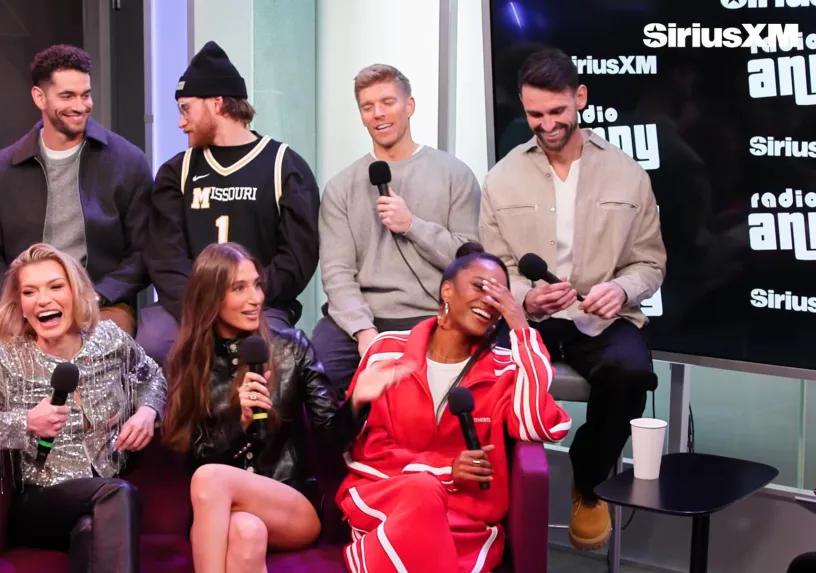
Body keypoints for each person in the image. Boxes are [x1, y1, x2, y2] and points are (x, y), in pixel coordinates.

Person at [479, 48, 665, 550]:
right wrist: (527, 299)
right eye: (535, 114)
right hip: (527, 320)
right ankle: (490, 501)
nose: (547, 125)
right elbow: (494, 269)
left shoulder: (628, 174)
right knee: (485, 374)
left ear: (580, 97)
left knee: (631, 373)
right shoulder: (501, 178)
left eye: (557, 111)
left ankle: (589, 481)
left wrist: (620, 289)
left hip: (600, 320)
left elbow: (650, 264)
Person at [0, 243, 167, 573]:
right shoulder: (8, 361)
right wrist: (25, 422)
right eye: (29, 292)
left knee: (91, 529)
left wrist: (147, 412)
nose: (43, 300)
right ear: (20, 305)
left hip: (105, 490)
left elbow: (152, 376)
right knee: (118, 495)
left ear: (76, 293)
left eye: (55, 287)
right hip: (39, 503)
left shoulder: (110, 340)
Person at [336, 242, 572, 573]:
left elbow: (534, 424)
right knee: (420, 494)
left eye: (499, 295)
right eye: (480, 286)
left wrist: (521, 330)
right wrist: (444, 471)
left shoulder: (505, 368)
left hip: (464, 517)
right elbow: (363, 449)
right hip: (388, 497)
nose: (489, 300)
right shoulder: (387, 351)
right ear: (447, 290)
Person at [160, 242, 392, 573]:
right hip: (222, 511)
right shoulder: (190, 362)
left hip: (291, 501)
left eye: (257, 285)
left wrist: (355, 402)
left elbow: (329, 439)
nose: (255, 298)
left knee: (211, 479)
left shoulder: (290, 348)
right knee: (246, 532)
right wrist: (239, 424)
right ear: (210, 297)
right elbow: (190, 458)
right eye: (239, 288)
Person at [0, 44, 154, 392]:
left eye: (85, 95)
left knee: (93, 362)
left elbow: (144, 253)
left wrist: (98, 295)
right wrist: (21, 302)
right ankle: (7, 429)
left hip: (100, 303)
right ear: (39, 97)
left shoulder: (127, 161)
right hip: (26, 305)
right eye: (67, 96)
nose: (80, 106)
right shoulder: (3, 168)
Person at [142, 41, 320, 367]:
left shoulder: (284, 166)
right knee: (154, 340)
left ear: (217, 103)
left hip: (261, 304)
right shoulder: (177, 172)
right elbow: (165, 257)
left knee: (277, 352)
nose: (181, 122)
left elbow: (297, 259)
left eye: (185, 109)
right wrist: (207, 305)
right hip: (191, 306)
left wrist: (243, 295)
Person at [313, 63, 481, 394]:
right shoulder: (341, 187)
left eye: (388, 102)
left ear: (410, 106)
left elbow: (470, 262)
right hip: (364, 317)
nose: (378, 113)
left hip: (436, 314)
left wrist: (413, 226)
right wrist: (363, 332)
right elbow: (337, 272)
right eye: (368, 107)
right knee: (317, 375)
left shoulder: (455, 174)